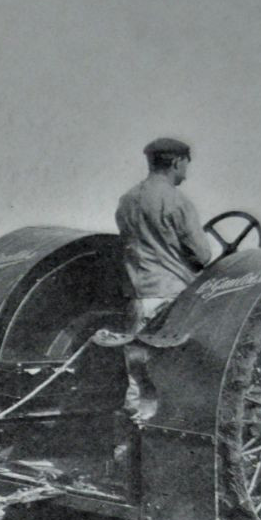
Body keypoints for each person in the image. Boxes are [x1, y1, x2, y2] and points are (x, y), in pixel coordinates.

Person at [115, 136, 213, 422]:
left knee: (137, 379)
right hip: (171, 301)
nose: (186, 171)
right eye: (186, 164)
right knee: (172, 380)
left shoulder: (128, 200)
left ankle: (129, 451)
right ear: (177, 162)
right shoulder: (177, 201)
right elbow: (202, 255)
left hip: (137, 298)